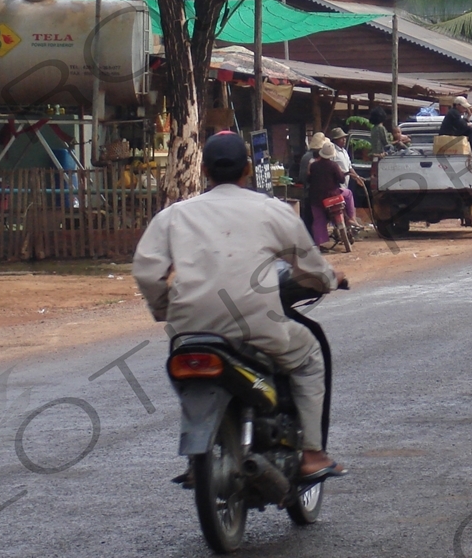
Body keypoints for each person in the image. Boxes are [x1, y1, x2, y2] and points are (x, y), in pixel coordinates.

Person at [134, 132, 346, 481]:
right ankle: (311, 453)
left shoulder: (174, 215)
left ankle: (199, 453)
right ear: (247, 168)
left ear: (203, 170)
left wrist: (163, 309)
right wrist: (327, 281)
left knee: (184, 372)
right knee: (308, 356)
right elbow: (310, 267)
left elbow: (146, 270)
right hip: (258, 328)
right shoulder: (271, 210)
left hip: (190, 331)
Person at [307, 140, 347, 246]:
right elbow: (342, 179)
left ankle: (321, 243)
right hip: (332, 197)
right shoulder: (334, 165)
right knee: (348, 194)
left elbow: (308, 180)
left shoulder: (313, 166)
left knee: (318, 219)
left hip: (316, 199)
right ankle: (351, 218)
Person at [327, 126, 361, 227]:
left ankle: (347, 230)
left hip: (345, 183)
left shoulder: (344, 152)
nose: (344, 140)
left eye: (344, 138)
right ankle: (350, 221)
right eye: (342, 138)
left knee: (345, 205)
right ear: (336, 140)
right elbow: (331, 168)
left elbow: (350, 167)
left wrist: (357, 177)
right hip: (336, 184)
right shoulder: (333, 152)